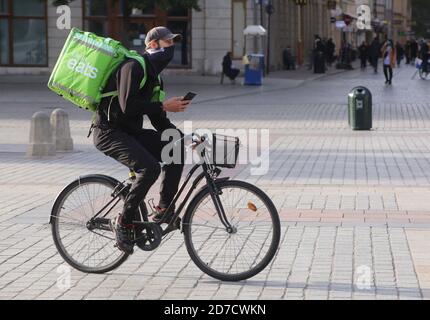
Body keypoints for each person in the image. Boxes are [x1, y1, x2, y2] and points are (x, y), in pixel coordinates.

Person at [91, 27, 190, 254]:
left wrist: (184, 138)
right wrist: (165, 105)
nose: (171, 48)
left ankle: (164, 208)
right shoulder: (134, 66)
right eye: (168, 43)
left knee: (174, 147)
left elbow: (158, 120)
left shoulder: (155, 79)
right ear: (153, 44)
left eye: (174, 43)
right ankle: (124, 222)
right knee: (149, 168)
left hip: (129, 132)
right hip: (108, 131)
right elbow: (127, 107)